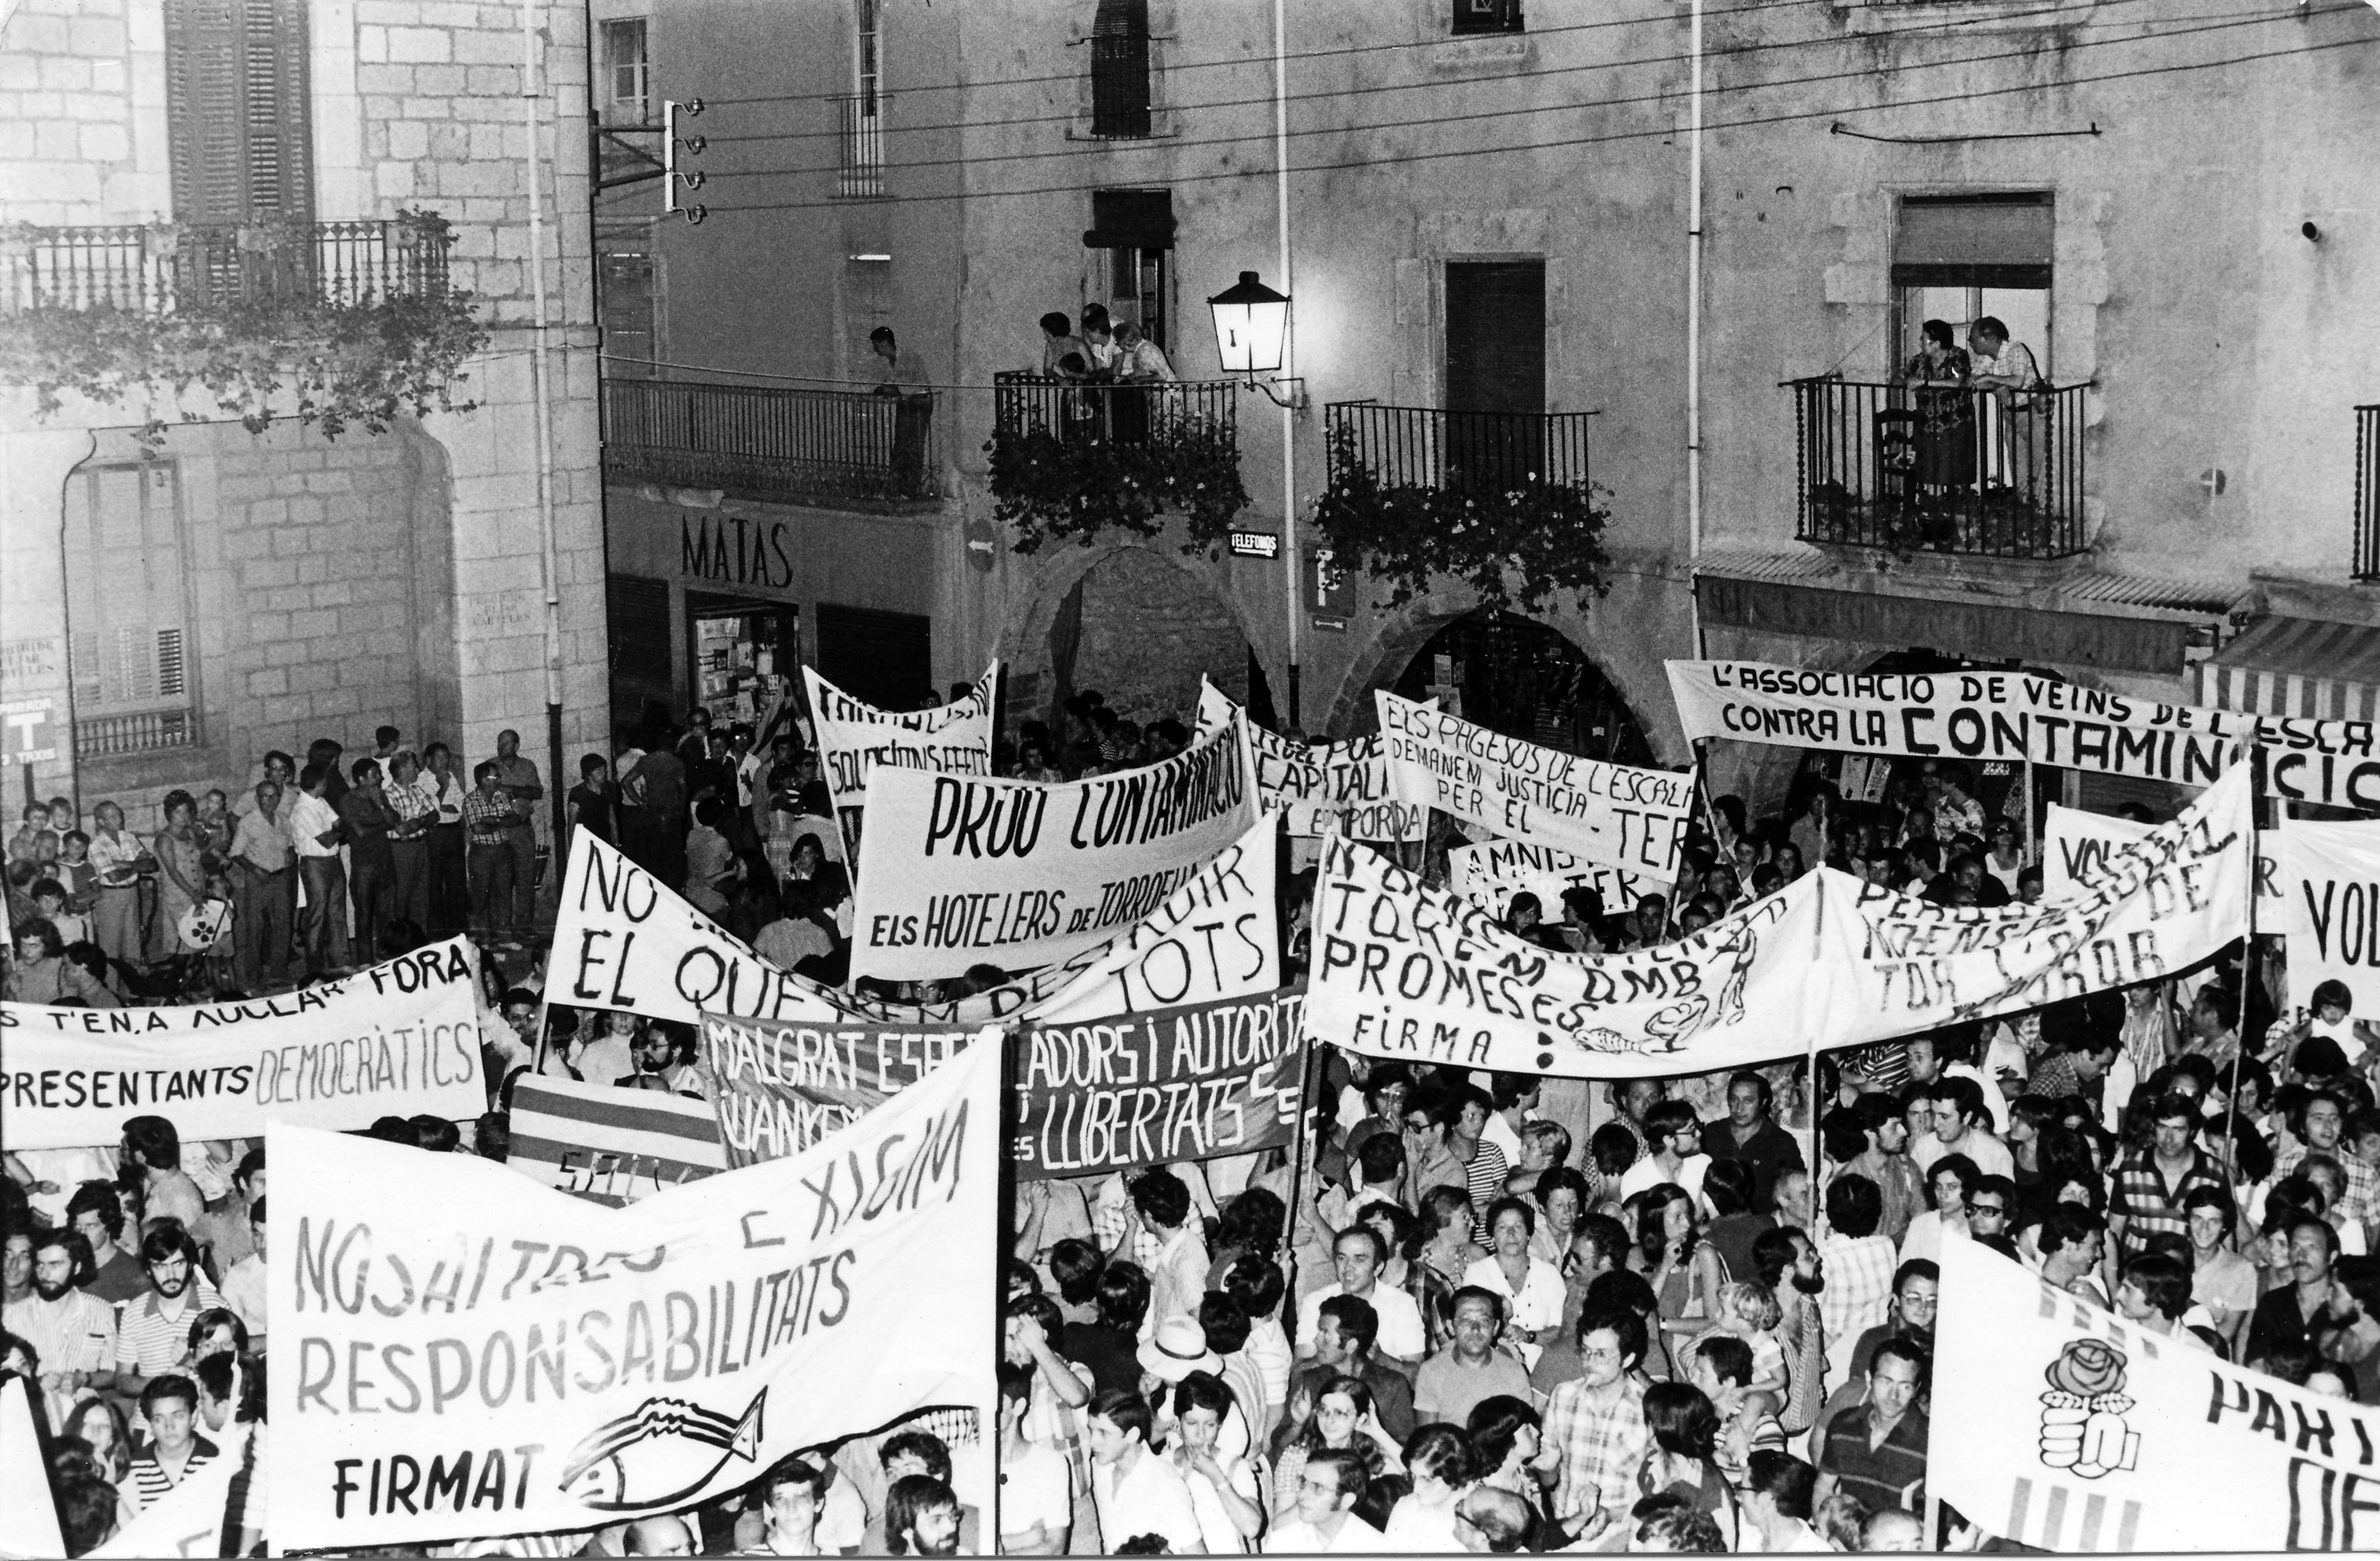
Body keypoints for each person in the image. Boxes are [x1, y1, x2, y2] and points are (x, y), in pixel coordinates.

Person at [1534, 1306, 1652, 1544]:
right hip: (1567, 1532)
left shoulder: (1647, 1411)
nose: (1589, 1362)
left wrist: (1609, 1515)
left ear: (1628, 1359)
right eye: (1585, 1351)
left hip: (1622, 1538)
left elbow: (1658, 1494)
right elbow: (1549, 1475)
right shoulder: (1564, 1395)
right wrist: (1546, 1471)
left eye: (1601, 1354)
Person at [3, 1228, 119, 1428]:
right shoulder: (13, 1317)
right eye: (40, 1265)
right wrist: (35, 1383)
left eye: (55, 1265)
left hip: (84, 1424)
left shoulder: (102, 1311)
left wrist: (84, 1378)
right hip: (33, 1421)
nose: (44, 1274)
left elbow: (113, 1373)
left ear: (77, 1267)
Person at [1814, 1338, 1929, 1516]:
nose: (1894, 1395)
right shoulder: (1843, 1425)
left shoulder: (1930, 1440)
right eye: (1886, 1382)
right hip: (1849, 1532)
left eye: (1905, 1386)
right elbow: (1824, 1487)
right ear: (1870, 1379)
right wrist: (1824, 1530)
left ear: (1916, 1390)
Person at [1086, 1387, 1206, 1554]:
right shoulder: (1100, 1467)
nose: (1092, 1442)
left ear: (1132, 1435)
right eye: (1091, 1431)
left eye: (1104, 1433)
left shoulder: (1165, 1484)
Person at [1296, 1226, 1427, 1370]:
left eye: (1359, 1259)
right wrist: (1332, 1354)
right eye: (1342, 1258)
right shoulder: (1316, 1301)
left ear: (1378, 1268)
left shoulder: (1402, 1304)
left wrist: (1381, 1358)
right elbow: (1298, 1371)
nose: (1348, 1267)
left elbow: (1416, 1374)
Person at [1166, 1371, 1264, 1554]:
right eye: (1192, 1423)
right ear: (1179, 1420)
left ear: (1220, 1425)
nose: (1201, 1434)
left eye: (1210, 1425)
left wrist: (1215, 1475)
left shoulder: (1235, 1467)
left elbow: (1252, 1528)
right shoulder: (1162, 1464)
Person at [1415, 1287, 1533, 1428]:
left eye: (1484, 1321)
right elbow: (1428, 1435)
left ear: (1496, 1327)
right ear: (1451, 1327)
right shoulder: (1432, 1372)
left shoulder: (1514, 1371)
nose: (1475, 1329)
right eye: (1466, 1321)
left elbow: (1526, 1432)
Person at [1464, 1197, 1566, 1352]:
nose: (1511, 1233)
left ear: (1529, 1235)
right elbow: (1470, 1330)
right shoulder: (1477, 1273)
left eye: (1518, 1226)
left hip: (1544, 1362)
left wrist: (1530, 1336)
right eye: (1502, 1227)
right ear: (1492, 1237)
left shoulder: (1549, 1274)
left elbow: (1562, 1329)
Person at [1702, 1072, 1807, 1215]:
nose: (1739, 1109)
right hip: (1716, 1220)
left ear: (1763, 1103)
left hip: (1763, 1222)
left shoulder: (1781, 1141)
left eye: (1748, 1101)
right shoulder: (1712, 1133)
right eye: (1734, 1099)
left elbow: (1795, 1187)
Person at [1966, 315, 2043, 488]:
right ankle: (2023, 504)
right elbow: (1973, 382)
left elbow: (2017, 381)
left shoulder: (2015, 350)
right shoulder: (1985, 358)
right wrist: (1996, 385)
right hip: (2010, 415)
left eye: (1973, 338)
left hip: (2032, 413)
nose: (1971, 343)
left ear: (1990, 339)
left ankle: (2039, 505)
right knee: (2018, 468)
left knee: (2039, 467)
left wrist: (1990, 378)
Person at [125, 1373, 215, 1512]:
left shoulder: (213, 1461)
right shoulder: (136, 1467)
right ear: (151, 1424)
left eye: (178, 1416)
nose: (169, 1427)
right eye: (159, 1419)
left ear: (193, 1417)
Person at [1264, 1445, 1378, 1554]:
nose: (1301, 1495)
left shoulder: (1373, 1548)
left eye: (1318, 1488)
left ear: (1346, 1501)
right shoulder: (1283, 1542)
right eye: (1303, 1483)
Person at [1379, 1423, 1472, 1553]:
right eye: (1414, 1476)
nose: (1416, 1489)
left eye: (1427, 1480)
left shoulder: (1473, 1531)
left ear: (1454, 1476)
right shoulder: (1406, 1505)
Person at [490, 728, 546, 933]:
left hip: (522, 829)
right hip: (500, 830)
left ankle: (524, 925)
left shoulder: (527, 766)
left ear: (516, 746)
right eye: (499, 742)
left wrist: (511, 790)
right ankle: (502, 926)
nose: (501, 747)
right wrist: (514, 792)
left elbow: (537, 792)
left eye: (506, 743)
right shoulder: (491, 766)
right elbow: (490, 792)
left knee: (525, 878)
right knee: (501, 880)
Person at [870, 325, 936, 497]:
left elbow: (904, 389)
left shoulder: (908, 359)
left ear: (884, 344)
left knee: (913, 447)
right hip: (907, 404)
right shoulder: (892, 362)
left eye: (876, 345)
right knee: (901, 445)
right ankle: (899, 487)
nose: (875, 350)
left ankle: (909, 489)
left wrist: (886, 390)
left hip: (919, 404)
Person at [4, 918, 118, 1005]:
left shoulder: (63, 969)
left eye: (34, 946)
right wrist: (11, 993)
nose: (26, 952)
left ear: (47, 946)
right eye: (23, 945)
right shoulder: (15, 968)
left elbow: (69, 1008)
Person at [1741, 1450, 1829, 1552]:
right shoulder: (1749, 1539)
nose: (1738, 1497)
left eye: (1741, 1489)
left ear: (1765, 1500)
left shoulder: (1816, 1553)